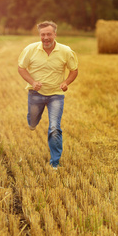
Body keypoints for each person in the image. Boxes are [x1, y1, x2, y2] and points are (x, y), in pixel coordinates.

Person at [17, 21, 78, 169]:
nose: (46, 37)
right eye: (43, 34)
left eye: (49, 34)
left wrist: (66, 82)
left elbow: (74, 70)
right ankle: (32, 123)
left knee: (54, 128)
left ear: (55, 34)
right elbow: (21, 68)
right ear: (39, 35)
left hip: (56, 95)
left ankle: (55, 162)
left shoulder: (66, 51)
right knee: (32, 122)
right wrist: (32, 81)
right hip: (35, 94)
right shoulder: (30, 50)